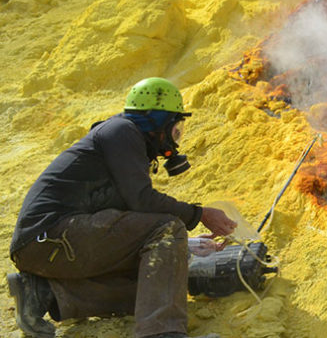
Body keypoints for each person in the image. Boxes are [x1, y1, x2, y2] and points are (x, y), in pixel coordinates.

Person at [6, 77, 237, 338]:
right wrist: (200, 214)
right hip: (50, 237)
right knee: (168, 229)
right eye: (175, 126)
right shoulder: (122, 132)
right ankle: (162, 333)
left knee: (155, 280)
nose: (177, 135)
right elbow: (143, 200)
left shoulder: (122, 139)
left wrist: (187, 242)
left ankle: (44, 294)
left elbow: (131, 220)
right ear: (158, 120)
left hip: (48, 245)